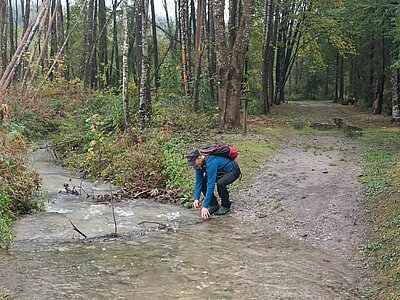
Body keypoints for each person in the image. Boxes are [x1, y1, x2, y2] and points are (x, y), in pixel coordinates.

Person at [186, 149, 241, 219]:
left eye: (194, 163)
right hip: (219, 173)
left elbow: (210, 185)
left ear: (199, 158)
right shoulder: (198, 166)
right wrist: (196, 198)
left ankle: (226, 205)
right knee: (203, 182)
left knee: (220, 183)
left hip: (232, 171)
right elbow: (198, 182)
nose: (193, 166)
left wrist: (205, 206)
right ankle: (214, 204)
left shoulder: (211, 162)